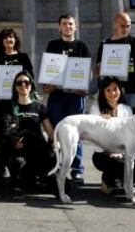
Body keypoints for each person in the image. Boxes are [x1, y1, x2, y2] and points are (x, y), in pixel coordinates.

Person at [43, 13, 91, 183]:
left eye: (71, 24)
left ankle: (76, 169)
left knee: (76, 134)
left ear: (75, 27)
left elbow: (86, 72)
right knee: (56, 132)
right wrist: (46, 84)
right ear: (59, 27)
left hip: (75, 97)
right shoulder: (53, 45)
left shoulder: (81, 46)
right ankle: (58, 165)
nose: (68, 27)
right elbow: (49, 69)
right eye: (64, 24)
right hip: (56, 97)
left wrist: (84, 86)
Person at [90, 76, 135, 194]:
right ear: (103, 92)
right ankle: (107, 179)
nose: (112, 93)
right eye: (108, 90)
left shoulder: (126, 109)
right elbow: (95, 137)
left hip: (123, 150)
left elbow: (132, 133)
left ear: (120, 90)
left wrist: (122, 152)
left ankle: (127, 181)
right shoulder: (96, 108)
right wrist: (101, 120)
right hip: (103, 153)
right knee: (117, 162)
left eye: (115, 89)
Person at [5, 70, 54, 190]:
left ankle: (41, 176)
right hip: (20, 149)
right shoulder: (10, 107)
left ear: (31, 85)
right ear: (15, 87)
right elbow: (7, 131)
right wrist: (13, 143)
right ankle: (17, 178)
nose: (23, 85)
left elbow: (50, 132)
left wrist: (55, 143)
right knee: (18, 161)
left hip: (37, 147)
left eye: (26, 82)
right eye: (19, 83)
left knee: (54, 156)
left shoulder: (40, 107)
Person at [96, 12, 135, 109]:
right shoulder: (105, 44)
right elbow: (99, 67)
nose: (125, 29)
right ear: (115, 25)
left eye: (128, 26)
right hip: (113, 92)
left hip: (134, 89)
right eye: (122, 26)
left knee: (134, 119)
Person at [0, 28, 34, 113]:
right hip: (2, 98)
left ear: (15, 40)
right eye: (5, 38)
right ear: (1, 41)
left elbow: (30, 76)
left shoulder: (23, 57)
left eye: (11, 37)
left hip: (20, 97)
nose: (8, 40)